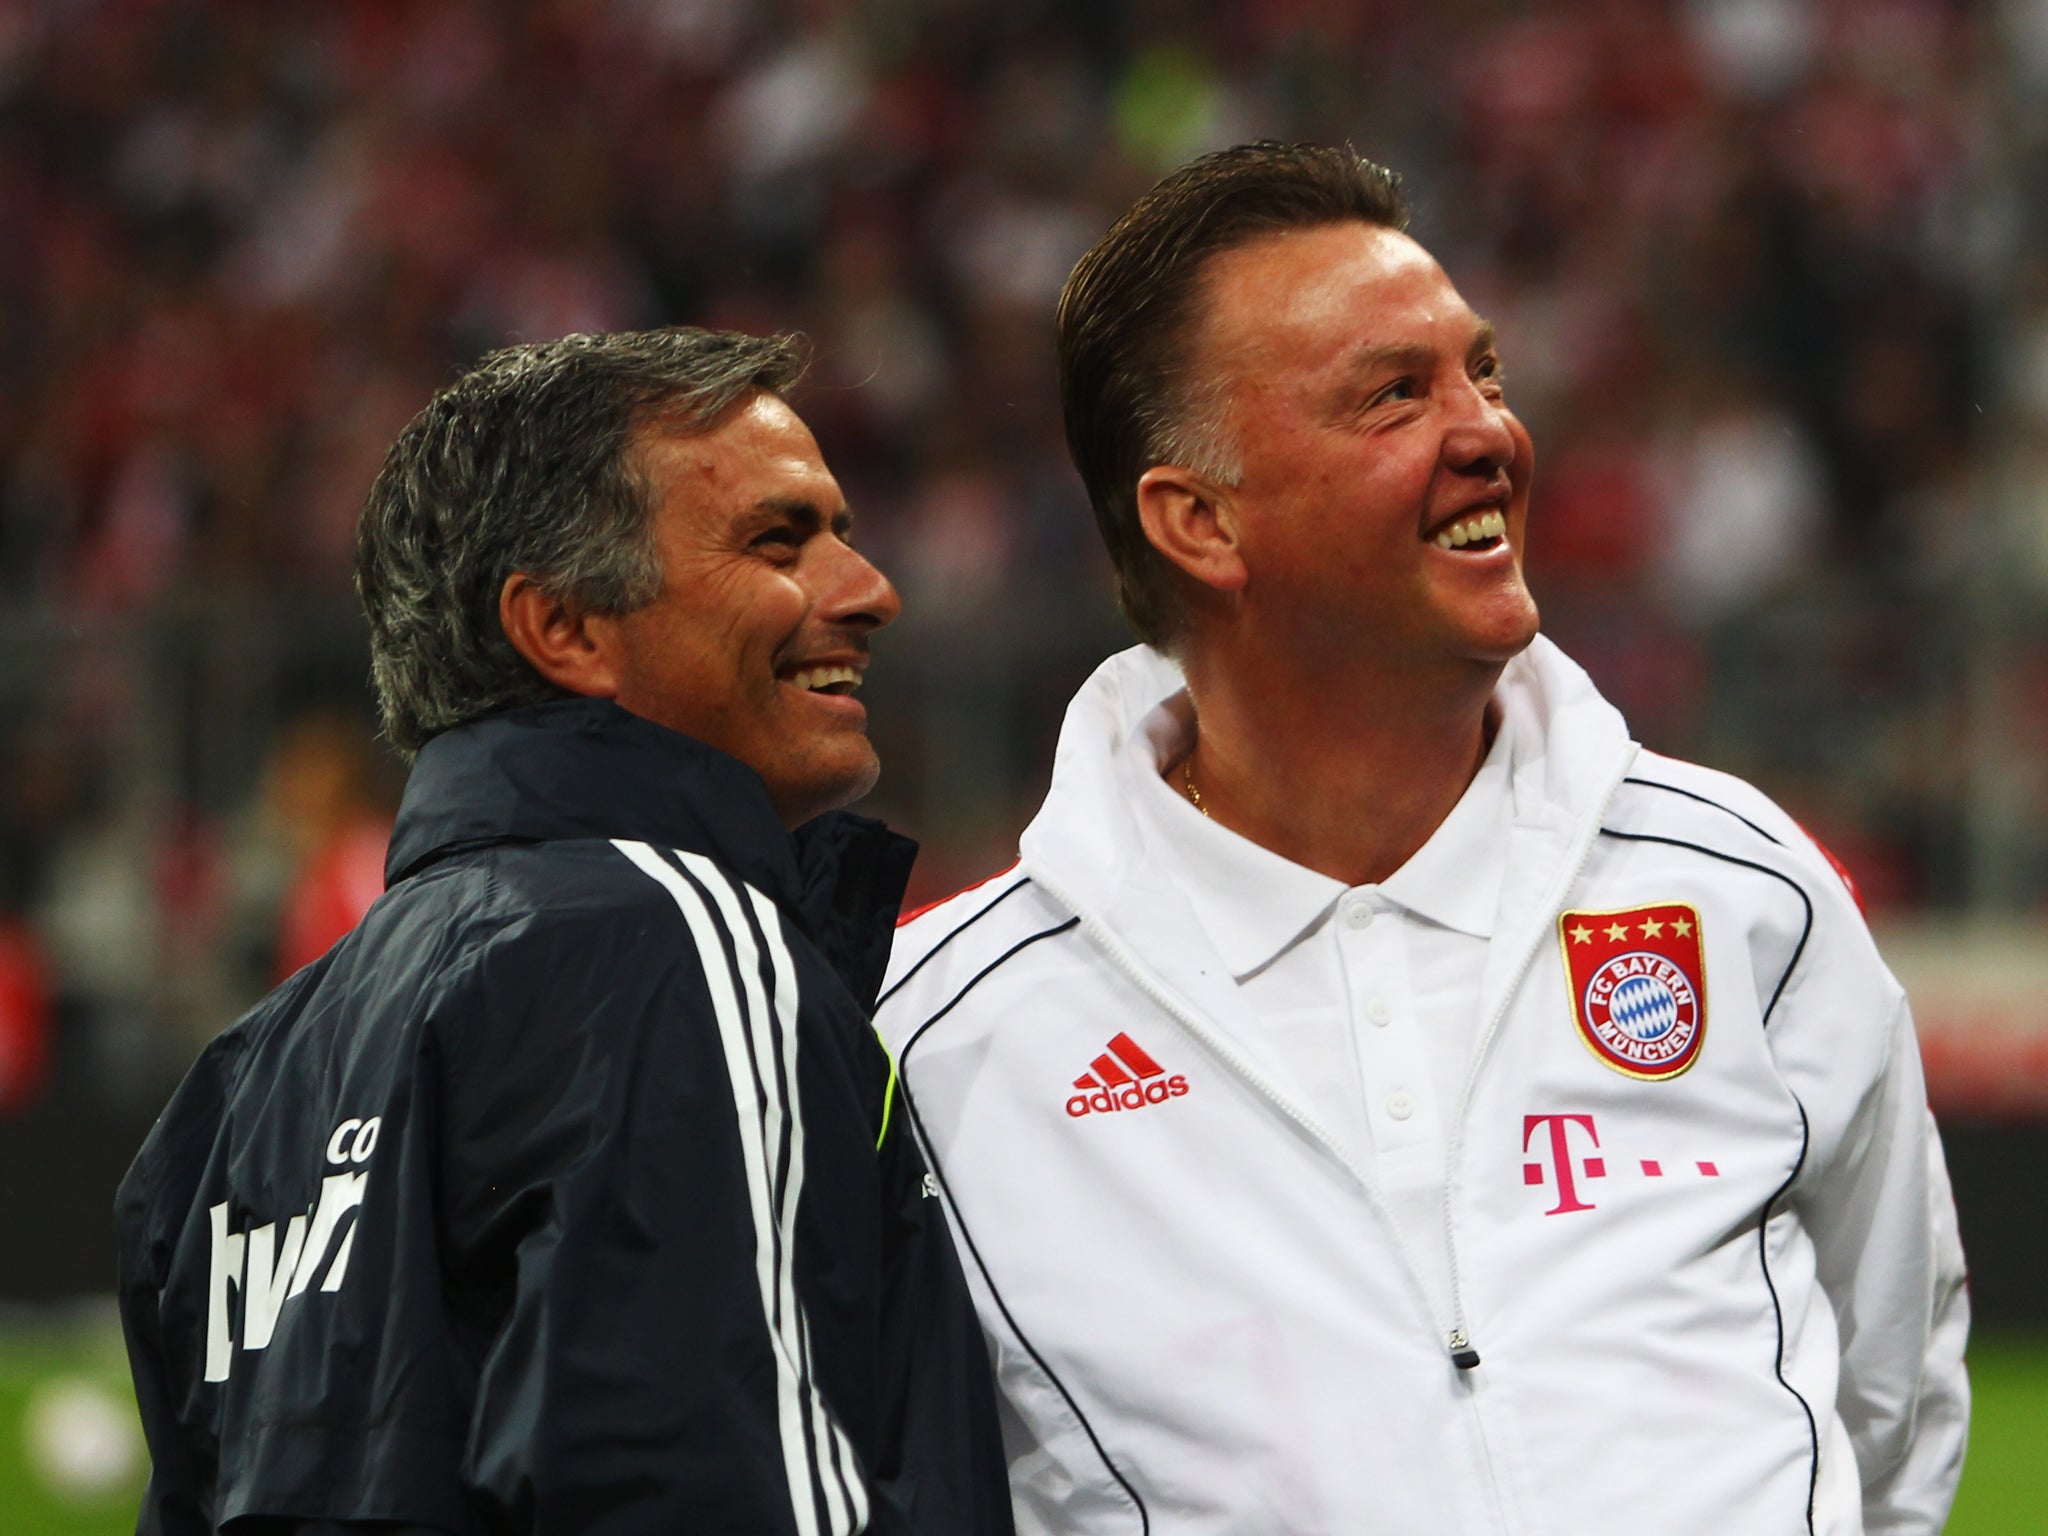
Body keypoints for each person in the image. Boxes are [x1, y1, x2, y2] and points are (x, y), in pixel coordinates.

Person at [879, 143, 1969, 1536]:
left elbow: (1895, 1400)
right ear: (1200, 522)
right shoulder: (948, 1039)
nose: (1490, 433)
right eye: (1396, 393)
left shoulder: (1740, 888)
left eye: (1485, 372)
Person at [116, 327, 1014, 1536]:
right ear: (567, 630)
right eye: (778, 538)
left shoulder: (229, 1099)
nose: (868, 591)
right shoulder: (671, 950)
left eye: (842, 532)